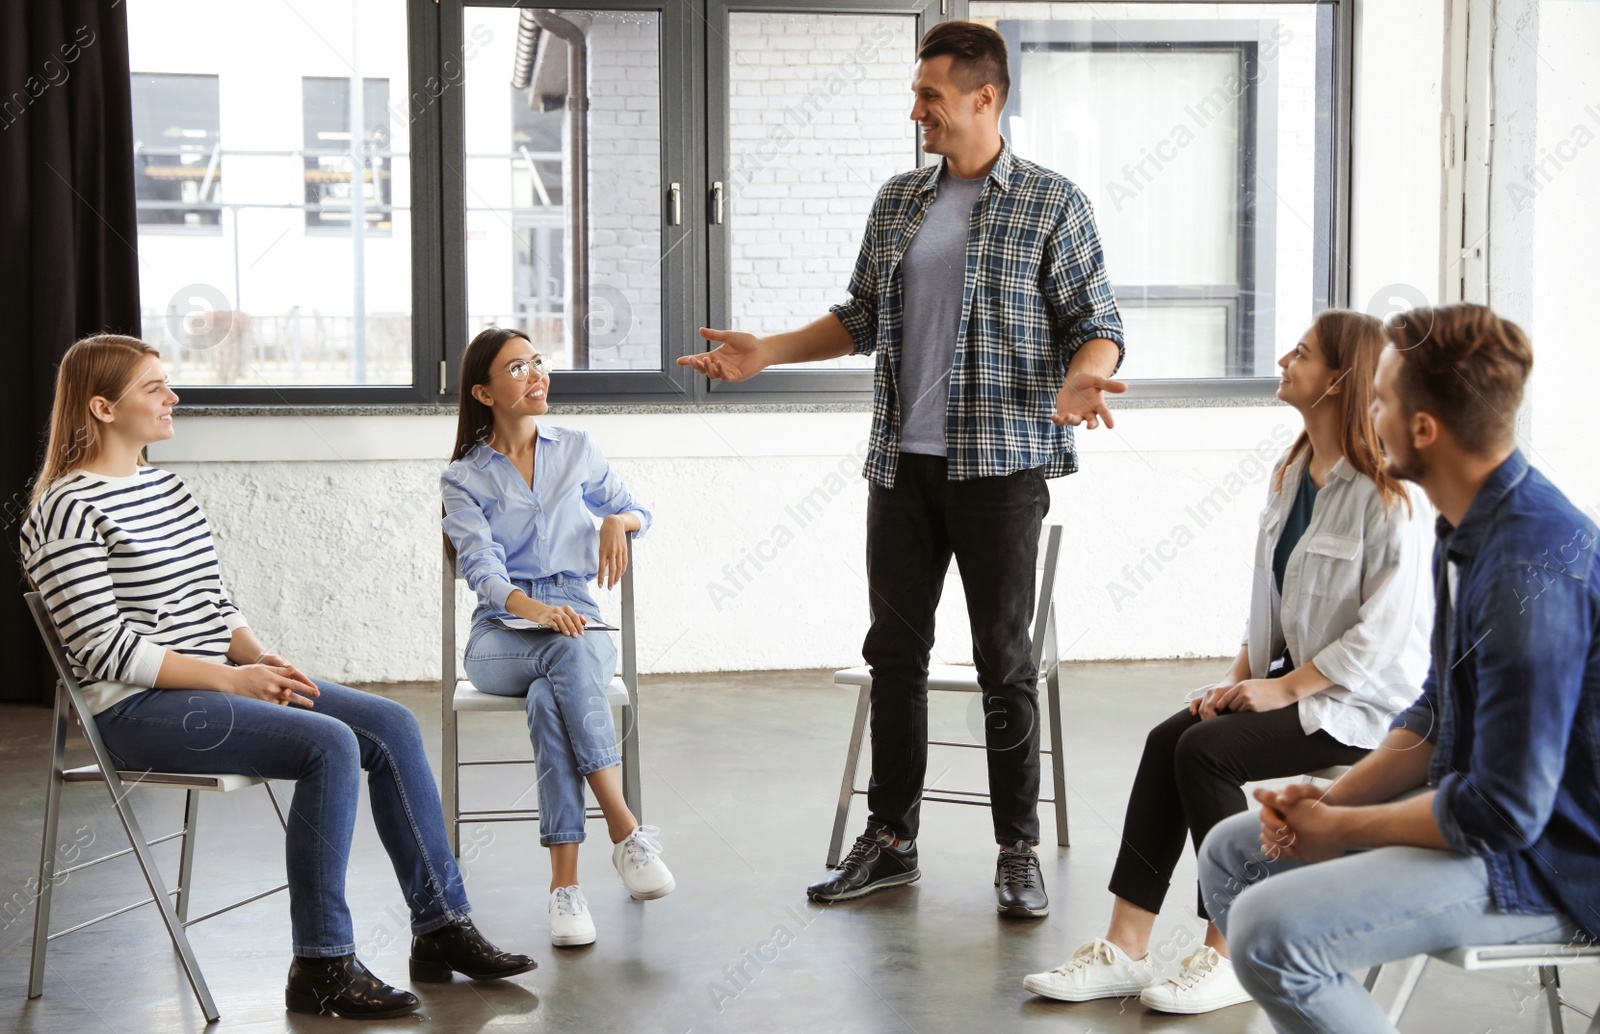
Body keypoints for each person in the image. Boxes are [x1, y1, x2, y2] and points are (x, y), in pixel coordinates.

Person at [682, 20, 1125, 918]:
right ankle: (890, 842)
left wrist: (1087, 379)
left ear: (983, 97)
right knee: (895, 655)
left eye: (929, 95)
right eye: (916, 94)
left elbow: (1097, 322)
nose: (915, 110)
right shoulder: (899, 201)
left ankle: (1017, 850)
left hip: (1000, 470)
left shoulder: (1052, 202)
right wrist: (765, 351)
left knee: (1004, 660)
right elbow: (859, 318)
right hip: (902, 470)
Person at [20, 335, 535, 1020]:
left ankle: (441, 926)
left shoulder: (164, 486)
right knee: (329, 744)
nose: (173, 398)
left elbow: (213, 599)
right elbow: (103, 650)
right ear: (102, 408)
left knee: (390, 723)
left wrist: (257, 657)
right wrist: (231, 683)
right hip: (135, 712)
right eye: (155, 388)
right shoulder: (64, 508)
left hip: (210, 682)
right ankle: (322, 966)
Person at [1197, 303, 1600, 1033]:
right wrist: (1330, 806)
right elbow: (1432, 716)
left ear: (1423, 429)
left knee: (1268, 929)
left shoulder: (1526, 565)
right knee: (1236, 853)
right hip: (1494, 837)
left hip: (1555, 866)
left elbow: (1503, 813)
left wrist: (1346, 831)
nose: (1369, 414)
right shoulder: (1465, 528)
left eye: (1380, 400)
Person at [1022, 309, 1433, 1014]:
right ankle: (1126, 945)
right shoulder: (1294, 473)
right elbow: (1268, 605)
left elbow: (1385, 636)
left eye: (1299, 354)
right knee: (1170, 737)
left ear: (1337, 379)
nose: (1282, 359)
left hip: (1363, 703)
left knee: (1206, 753)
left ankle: (1232, 949)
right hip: (1296, 686)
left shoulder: (1390, 495)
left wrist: (1286, 691)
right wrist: (1240, 679)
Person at [441, 327, 673, 949]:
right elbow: (481, 567)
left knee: (552, 698)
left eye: (538, 363)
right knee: (560, 654)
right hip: (500, 634)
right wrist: (531, 611)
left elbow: (637, 511)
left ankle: (564, 889)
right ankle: (625, 830)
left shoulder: (577, 448)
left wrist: (617, 523)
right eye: (519, 369)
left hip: (578, 614)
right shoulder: (464, 477)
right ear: (485, 393)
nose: (538, 375)